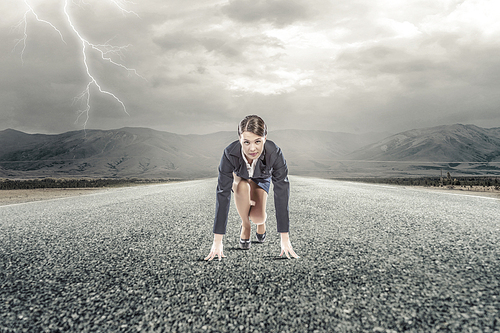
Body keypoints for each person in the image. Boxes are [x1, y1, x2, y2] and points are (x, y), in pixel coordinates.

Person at [204, 115, 299, 261]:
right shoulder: (229, 153)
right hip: (240, 177)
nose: (252, 148)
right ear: (239, 139)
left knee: (258, 217)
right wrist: (217, 242)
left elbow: (282, 192)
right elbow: (223, 193)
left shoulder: (275, 153)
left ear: (265, 138)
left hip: (261, 178)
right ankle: (245, 225)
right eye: (246, 142)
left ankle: (260, 222)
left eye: (257, 141)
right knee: (242, 187)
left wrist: (284, 238)